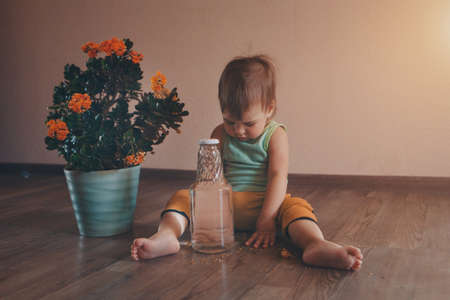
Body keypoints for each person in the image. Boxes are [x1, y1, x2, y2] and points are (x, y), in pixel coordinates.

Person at [131, 55, 363, 270]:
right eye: (230, 121)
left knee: (296, 207)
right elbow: (210, 178)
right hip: (227, 205)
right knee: (182, 196)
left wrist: (266, 220)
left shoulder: (276, 135)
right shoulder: (220, 133)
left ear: (269, 109)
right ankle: (167, 235)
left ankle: (314, 243)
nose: (238, 130)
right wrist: (211, 215)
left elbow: (277, 176)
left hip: (267, 205)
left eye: (249, 124)